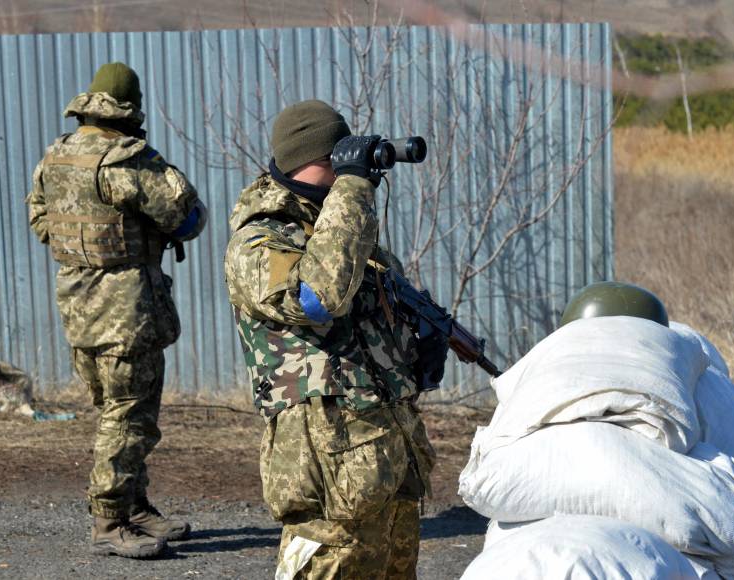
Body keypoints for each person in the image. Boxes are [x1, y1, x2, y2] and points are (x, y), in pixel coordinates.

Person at [224, 100, 443, 578]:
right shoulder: (259, 241)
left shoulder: (342, 232)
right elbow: (318, 298)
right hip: (329, 472)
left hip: (386, 461)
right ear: (316, 159)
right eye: (339, 160)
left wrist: (417, 349)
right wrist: (353, 188)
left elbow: (365, 335)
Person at [26, 62, 207, 558]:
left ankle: (135, 507)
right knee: (130, 417)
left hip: (77, 307)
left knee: (114, 411)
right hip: (126, 312)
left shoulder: (56, 156)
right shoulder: (128, 161)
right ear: (129, 108)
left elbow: (40, 219)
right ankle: (109, 522)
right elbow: (189, 217)